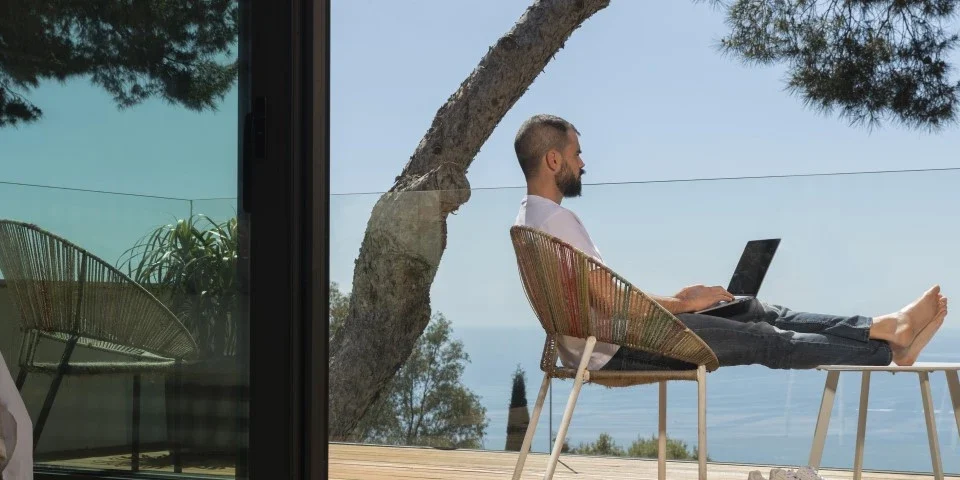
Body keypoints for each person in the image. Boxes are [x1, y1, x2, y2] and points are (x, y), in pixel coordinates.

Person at [512, 114, 949, 372]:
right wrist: (684, 303)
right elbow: (607, 298)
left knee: (754, 308)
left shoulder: (530, 221)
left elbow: (600, 297)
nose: (582, 163)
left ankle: (885, 328)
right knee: (765, 338)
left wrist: (685, 298)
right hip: (616, 346)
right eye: (576, 154)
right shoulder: (557, 222)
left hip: (603, 339)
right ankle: (885, 347)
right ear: (554, 160)